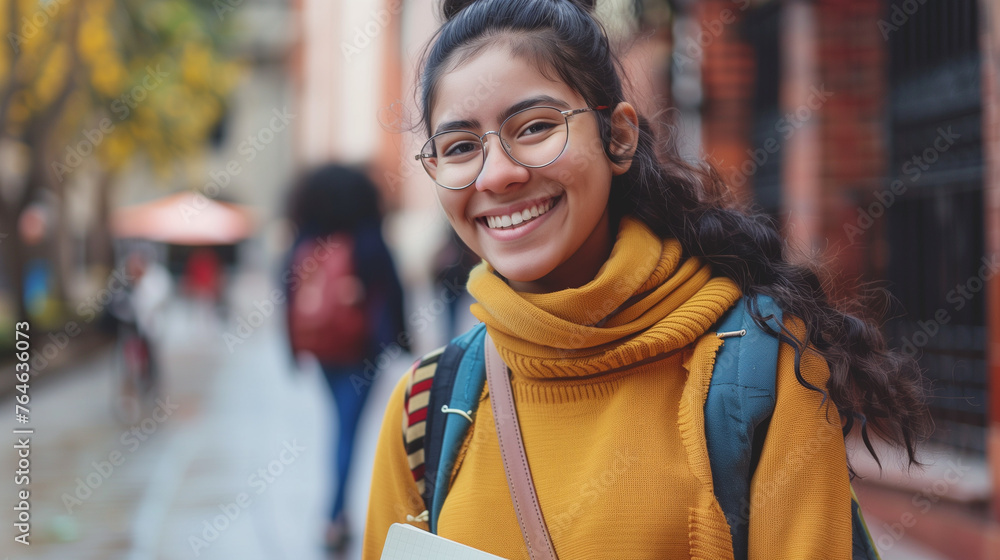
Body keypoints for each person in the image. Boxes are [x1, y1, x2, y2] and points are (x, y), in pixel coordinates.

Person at [362, 1, 930, 558]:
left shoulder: (759, 369)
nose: (497, 174)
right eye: (461, 147)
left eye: (534, 127)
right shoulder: (425, 409)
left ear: (618, 137)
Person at [284, 164, 408, 553]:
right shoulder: (368, 238)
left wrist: (292, 349)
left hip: (324, 349)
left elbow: (287, 291)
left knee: (339, 423)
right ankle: (334, 516)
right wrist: (402, 339)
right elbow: (393, 289)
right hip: (362, 351)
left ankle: (337, 514)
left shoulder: (307, 239)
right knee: (347, 429)